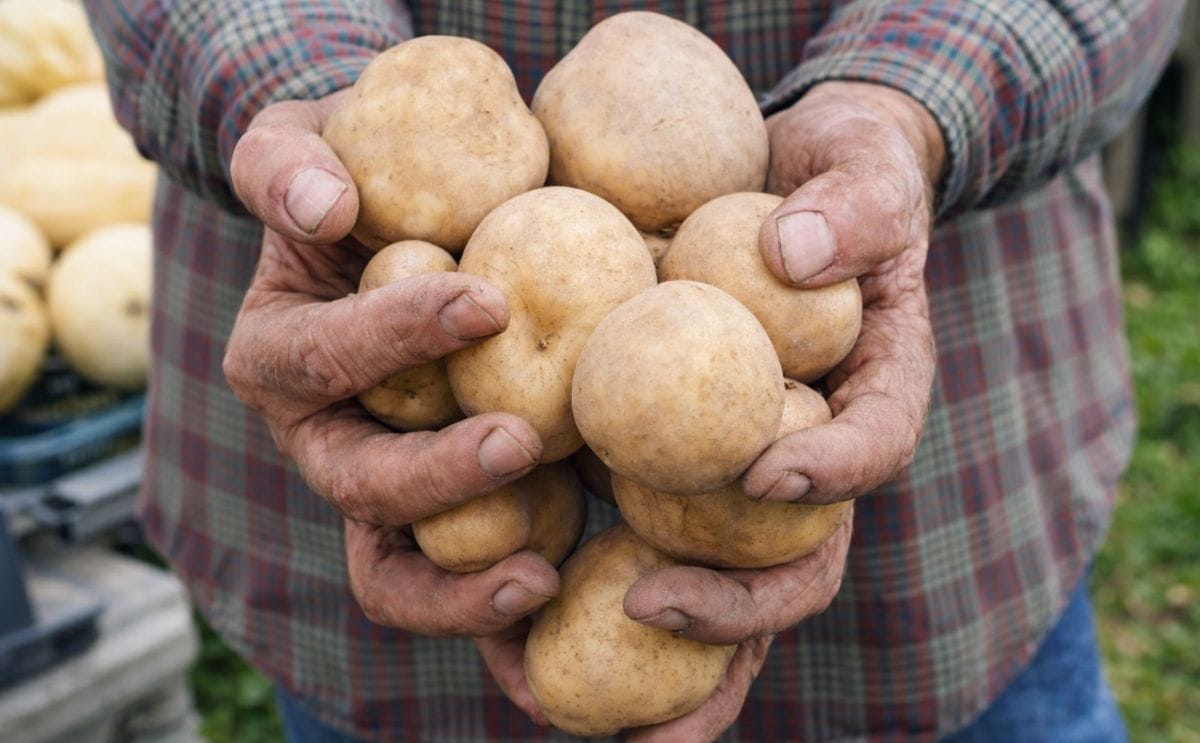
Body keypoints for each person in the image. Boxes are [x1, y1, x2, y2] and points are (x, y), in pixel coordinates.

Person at [83, 1, 1183, 740]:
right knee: (468, 535)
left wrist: (904, 101)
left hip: (955, 489)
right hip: (365, 402)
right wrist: (321, 112)